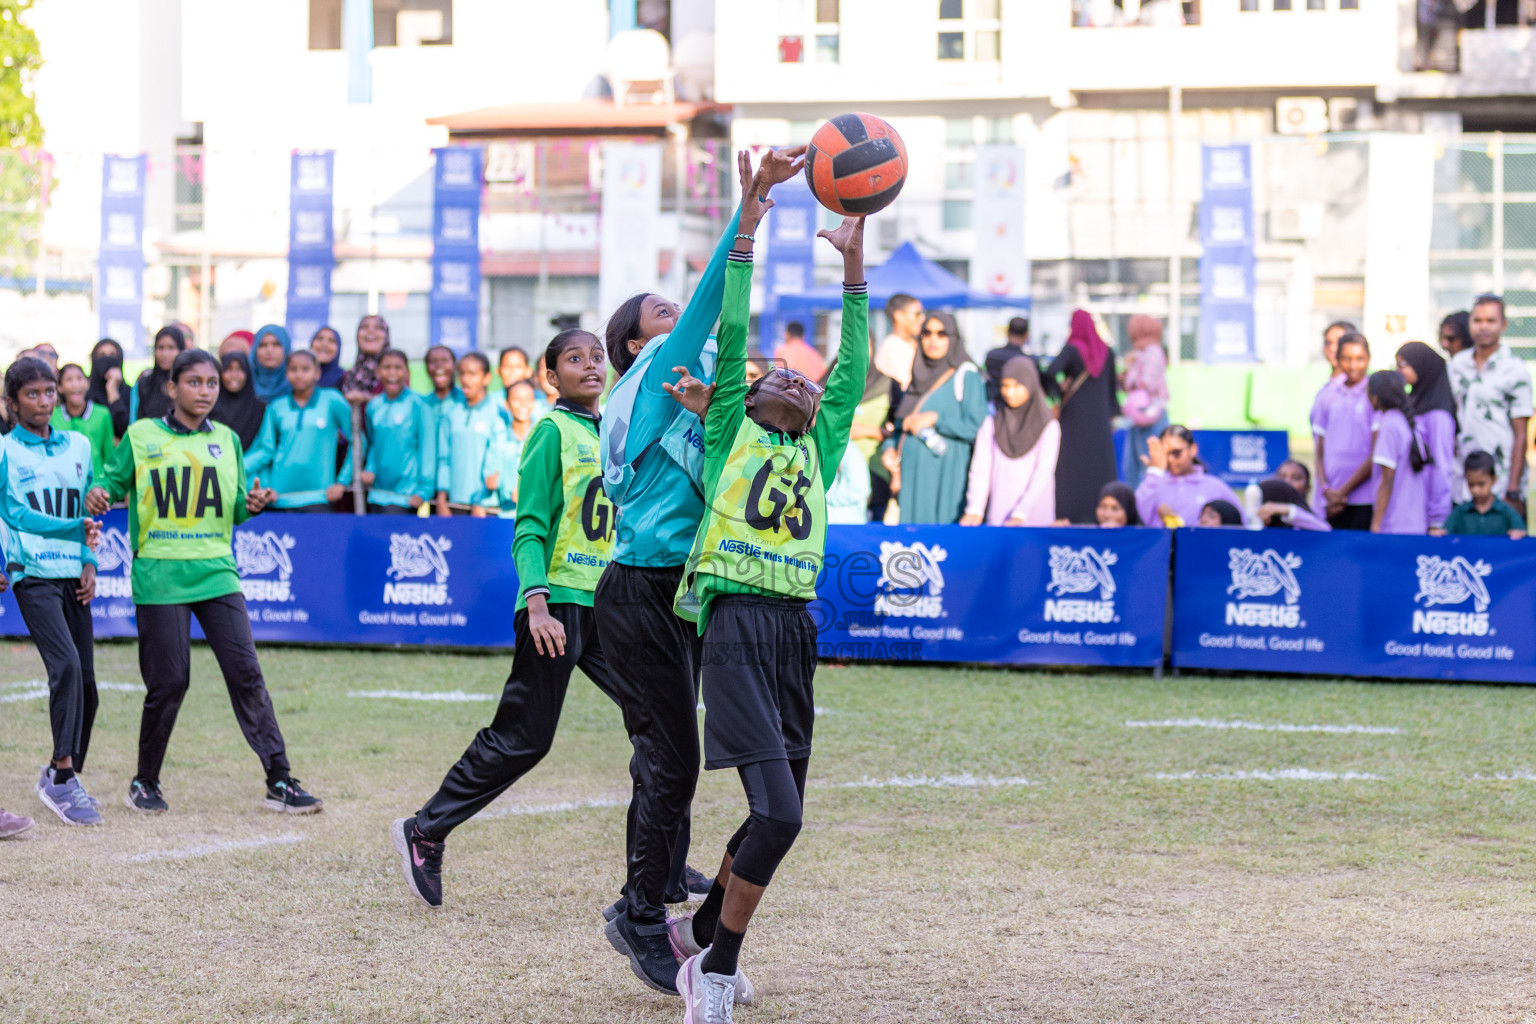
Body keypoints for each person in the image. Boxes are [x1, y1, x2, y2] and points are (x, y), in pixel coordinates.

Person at [596, 149, 803, 995]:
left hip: (686, 593)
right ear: (639, 343)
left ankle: (682, 915)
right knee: (671, 763)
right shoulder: (649, 377)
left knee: (686, 763)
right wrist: (749, 208)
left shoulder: (694, 396)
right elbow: (722, 288)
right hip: (642, 591)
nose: (685, 318)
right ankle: (640, 917)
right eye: (666, 314)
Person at [670, 207, 868, 1024]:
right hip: (737, 627)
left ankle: (704, 926)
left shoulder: (819, 446)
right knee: (782, 814)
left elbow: (851, 367)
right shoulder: (728, 432)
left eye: (804, 378)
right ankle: (715, 968)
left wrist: (855, 271)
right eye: (773, 374)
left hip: (794, 630)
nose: (794, 377)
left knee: (773, 809)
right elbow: (732, 314)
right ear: (743, 397)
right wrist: (746, 230)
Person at [392, 329, 621, 907]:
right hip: (558, 602)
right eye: (574, 358)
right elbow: (530, 526)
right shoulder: (552, 431)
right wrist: (538, 602)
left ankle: (664, 867)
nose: (590, 365)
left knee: (660, 724)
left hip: (611, 602)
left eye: (597, 356)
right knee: (525, 738)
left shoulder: (613, 432)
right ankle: (426, 828)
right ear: (551, 378)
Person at [85, 349, 322, 816]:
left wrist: (251, 504)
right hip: (160, 574)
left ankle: (279, 778)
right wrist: (98, 493)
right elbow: (110, 485)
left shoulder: (229, 440)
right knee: (170, 682)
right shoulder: (140, 435)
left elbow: (234, 508)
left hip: (217, 571)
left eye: (212, 383)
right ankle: (144, 781)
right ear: (171, 388)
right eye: (194, 382)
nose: (206, 391)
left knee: (247, 675)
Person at [2, 358, 104, 825]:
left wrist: (89, 561)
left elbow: (89, 511)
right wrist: (72, 529)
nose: (43, 402)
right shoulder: (4, 452)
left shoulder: (79, 445)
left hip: (72, 573)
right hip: (33, 573)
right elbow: (16, 516)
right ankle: (63, 778)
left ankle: (62, 774)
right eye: (32, 394)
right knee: (63, 666)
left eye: (49, 392)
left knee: (87, 683)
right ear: (12, 402)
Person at [882, 311, 987, 524]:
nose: (933, 340)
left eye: (941, 334)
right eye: (927, 333)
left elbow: (976, 428)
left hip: (945, 477)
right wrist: (889, 450)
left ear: (953, 338)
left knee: (941, 547)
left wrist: (937, 418)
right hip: (911, 479)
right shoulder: (917, 379)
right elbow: (901, 427)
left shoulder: (966, 375)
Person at [1450, 295, 1532, 515]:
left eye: (1490, 320)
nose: (1483, 327)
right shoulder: (1457, 365)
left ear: (1503, 325)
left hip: (1502, 485)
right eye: (1477, 320)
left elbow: (1521, 432)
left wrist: (1513, 489)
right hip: (1463, 484)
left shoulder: (1515, 370)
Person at [245, 350, 353, 512]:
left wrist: (342, 482)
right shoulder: (276, 407)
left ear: (317, 373)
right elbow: (267, 450)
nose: (299, 375)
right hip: (279, 499)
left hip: (319, 497)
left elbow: (358, 442)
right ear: (286, 373)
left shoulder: (332, 400)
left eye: (305, 369)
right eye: (293, 369)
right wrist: (266, 487)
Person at [961, 356, 1059, 526]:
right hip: (1000, 517)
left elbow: (1043, 473)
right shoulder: (991, 424)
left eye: (1017, 386)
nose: (1009, 393)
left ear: (1030, 384)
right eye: (1005, 386)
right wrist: (975, 509)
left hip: (1035, 520)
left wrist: (1021, 513)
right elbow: (980, 470)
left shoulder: (1048, 427)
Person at [1046, 310, 1119, 523]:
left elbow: (1050, 372)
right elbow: (1112, 391)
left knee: (1070, 465)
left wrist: (1057, 393)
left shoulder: (1072, 349)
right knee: (1099, 465)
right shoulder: (1108, 352)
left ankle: (1069, 513)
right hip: (1100, 420)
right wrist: (1111, 417)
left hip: (1074, 418)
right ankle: (1102, 513)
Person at [341, 348, 434, 514]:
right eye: (387, 367)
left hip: (405, 496)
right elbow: (374, 445)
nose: (392, 373)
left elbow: (428, 449)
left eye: (398, 368)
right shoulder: (373, 406)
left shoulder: (419, 404)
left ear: (406, 372)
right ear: (378, 372)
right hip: (376, 495)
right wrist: (370, 469)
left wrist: (423, 490)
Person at [434, 352, 509, 517]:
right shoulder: (451, 413)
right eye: (462, 373)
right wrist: (442, 497)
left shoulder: (498, 413)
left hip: (486, 507)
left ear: (487, 378)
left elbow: (498, 460)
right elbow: (444, 458)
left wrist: (480, 501)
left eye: (472, 374)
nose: (465, 379)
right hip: (455, 503)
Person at [1316, 332, 1377, 530]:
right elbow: (1319, 450)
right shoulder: (1328, 394)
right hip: (1331, 498)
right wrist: (1327, 489)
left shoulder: (1375, 395)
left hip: (1364, 498)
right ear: (1338, 359)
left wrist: (1344, 491)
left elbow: (1377, 453)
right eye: (1347, 359)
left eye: (1360, 359)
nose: (1353, 366)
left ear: (1368, 358)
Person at [1396, 341, 1457, 530]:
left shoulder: (1438, 416)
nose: (1398, 370)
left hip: (1425, 513)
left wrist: (1437, 519)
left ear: (1422, 366)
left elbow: (1442, 466)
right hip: (1408, 503)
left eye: (1403, 364)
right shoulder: (1413, 402)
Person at [1134, 424, 1244, 528]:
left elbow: (1240, 523)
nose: (1170, 459)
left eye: (1176, 452)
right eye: (1165, 454)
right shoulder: (1153, 485)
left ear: (1193, 449)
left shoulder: (1215, 488)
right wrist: (1154, 472)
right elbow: (1136, 517)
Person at [1369, 370, 1433, 535]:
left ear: (1375, 397)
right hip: (1415, 521)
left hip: (1394, 524)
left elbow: (1387, 480)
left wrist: (1376, 525)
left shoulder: (1390, 425)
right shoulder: (1408, 422)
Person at [848, 333, 895, 523]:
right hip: (839, 478)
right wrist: (875, 432)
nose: (859, 352)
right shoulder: (829, 384)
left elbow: (899, 428)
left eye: (864, 346)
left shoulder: (889, 386)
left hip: (876, 473)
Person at [1119, 314, 1170, 489]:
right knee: (1131, 466)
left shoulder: (1154, 352)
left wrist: (1130, 378)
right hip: (1137, 417)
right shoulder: (1139, 354)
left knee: (1149, 464)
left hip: (1151, 414)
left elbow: (1147, 381)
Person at [52, 363, 116, 479]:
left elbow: (109, 454)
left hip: (95, 485)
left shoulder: (102, 414)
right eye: (69, 380)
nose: (75, 384)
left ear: (87, 384)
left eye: (79, 378)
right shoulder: (52, 416)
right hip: (62, 484)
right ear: (59, 387)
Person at [1445, 451, 1527, 539]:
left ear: (1494, 479)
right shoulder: (1459, 513)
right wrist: (1439, 535)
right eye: (1471, 484)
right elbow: (1444, 536)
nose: (1476, 490)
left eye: (1481, 484)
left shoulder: (1507, 512)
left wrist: (1518, 534)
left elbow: (1521, 534)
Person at [1308, 320, 1358, 465]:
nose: (1332, 348)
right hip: (1327, 475)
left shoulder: (1359, 391)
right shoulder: (1325, 391)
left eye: (1339, 342)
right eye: (1328, 342)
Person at [492, 379, 538, 518]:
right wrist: (507, 488)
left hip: (536, 513)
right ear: (507, 404)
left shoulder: (543, 436)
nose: (523, 404)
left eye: (528, 399)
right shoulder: (498, 437)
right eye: (517, 399)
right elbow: (491, 479)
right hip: (505, 513)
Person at [129, 325, 188, 422]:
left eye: (171, 348)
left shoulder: (189, 382)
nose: (165, 354)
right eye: (160, 348)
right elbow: (134, 421)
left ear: (181, 350)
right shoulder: (144, 383)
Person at [209, 352, 266, 452]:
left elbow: (263, 447)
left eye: (240, 369)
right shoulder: (209, 406)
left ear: (247, 373)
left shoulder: (259, 409)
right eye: (228, 369)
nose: (234, 375)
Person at [873, 293, 924, 391]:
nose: (922, 319)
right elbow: (907, 388)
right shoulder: (894, 346)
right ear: (899, 316)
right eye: (917, 314)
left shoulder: (913, 343)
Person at [86, 338, 130, 439]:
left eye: (112, 355)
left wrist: (113, 391)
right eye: (102, 355)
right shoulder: (84, 393)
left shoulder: (131, 393)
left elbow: (126, 430)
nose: (107, 359)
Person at [983, 316, 1030, 405]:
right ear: (1026, 335)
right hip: (1017, 408)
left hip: (993, 405)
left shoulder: (992, 355)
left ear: (1007, 332)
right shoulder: (1027, 361)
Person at [341, 315, 388, 401]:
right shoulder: (347, 376)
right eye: (364, 327)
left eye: (378, 327)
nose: (370, 331)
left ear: (386, 336)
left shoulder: (396, 371)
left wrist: (365, 397)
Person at [1255, 478, 1331, 531]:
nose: (1288, 481)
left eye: (1296, 478)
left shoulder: (1300, 523)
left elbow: (1325, 529)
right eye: (1282, 477)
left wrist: (1286, 510)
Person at [250, 325, 293, 403]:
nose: (269, 350)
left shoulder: (299, 386)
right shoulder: (244, 383)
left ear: (286, 348)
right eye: (263, 345)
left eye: (276, 344)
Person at [307, 325, 346, 390]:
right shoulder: (296, 376)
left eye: (331, 341)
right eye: (320, 338)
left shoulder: (345, 380)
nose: (324, 344)